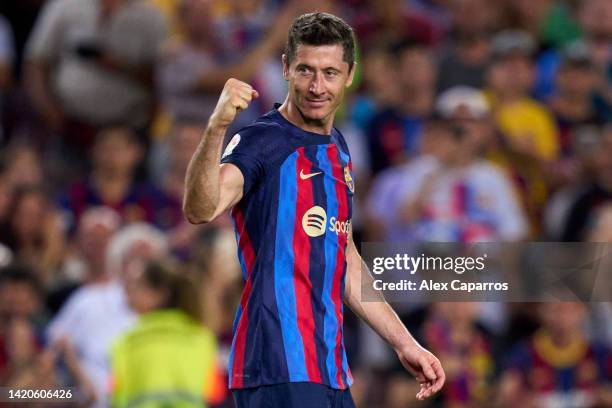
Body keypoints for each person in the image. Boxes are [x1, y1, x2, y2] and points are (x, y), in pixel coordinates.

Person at [183, 12, 445, 408]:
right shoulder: (262, 141)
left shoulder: (338, 147)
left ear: (350, 74)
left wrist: (405, 343)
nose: (317, 86)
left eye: (329, 73)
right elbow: (201, 209)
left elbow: (346, 257)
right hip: (276, 364)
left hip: (329, 369)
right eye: (305, 70)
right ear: (286, 67)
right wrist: (218, 126)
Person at [111, 258, 223, 407]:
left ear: (160, 293)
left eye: (137, 285)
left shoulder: (127, 342)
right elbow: (215, 394)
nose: (129, 291)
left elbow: (118, 399)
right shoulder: (202, 338)